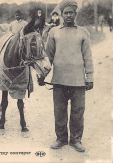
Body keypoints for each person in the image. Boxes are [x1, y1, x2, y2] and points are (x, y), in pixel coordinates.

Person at [40, 0, 94, 152]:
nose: (68, 15)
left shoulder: (83, 32)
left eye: (71, 12)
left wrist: (89, 77)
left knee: (78, 112)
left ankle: (76, 140)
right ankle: (61, 138)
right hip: (59, 80)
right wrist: (42, 75)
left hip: (78, 81)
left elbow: (88, 57)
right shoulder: (54, 32)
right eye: (66, 13)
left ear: (75, 14)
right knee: (59, 111)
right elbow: (48, 57)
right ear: (62, 15)